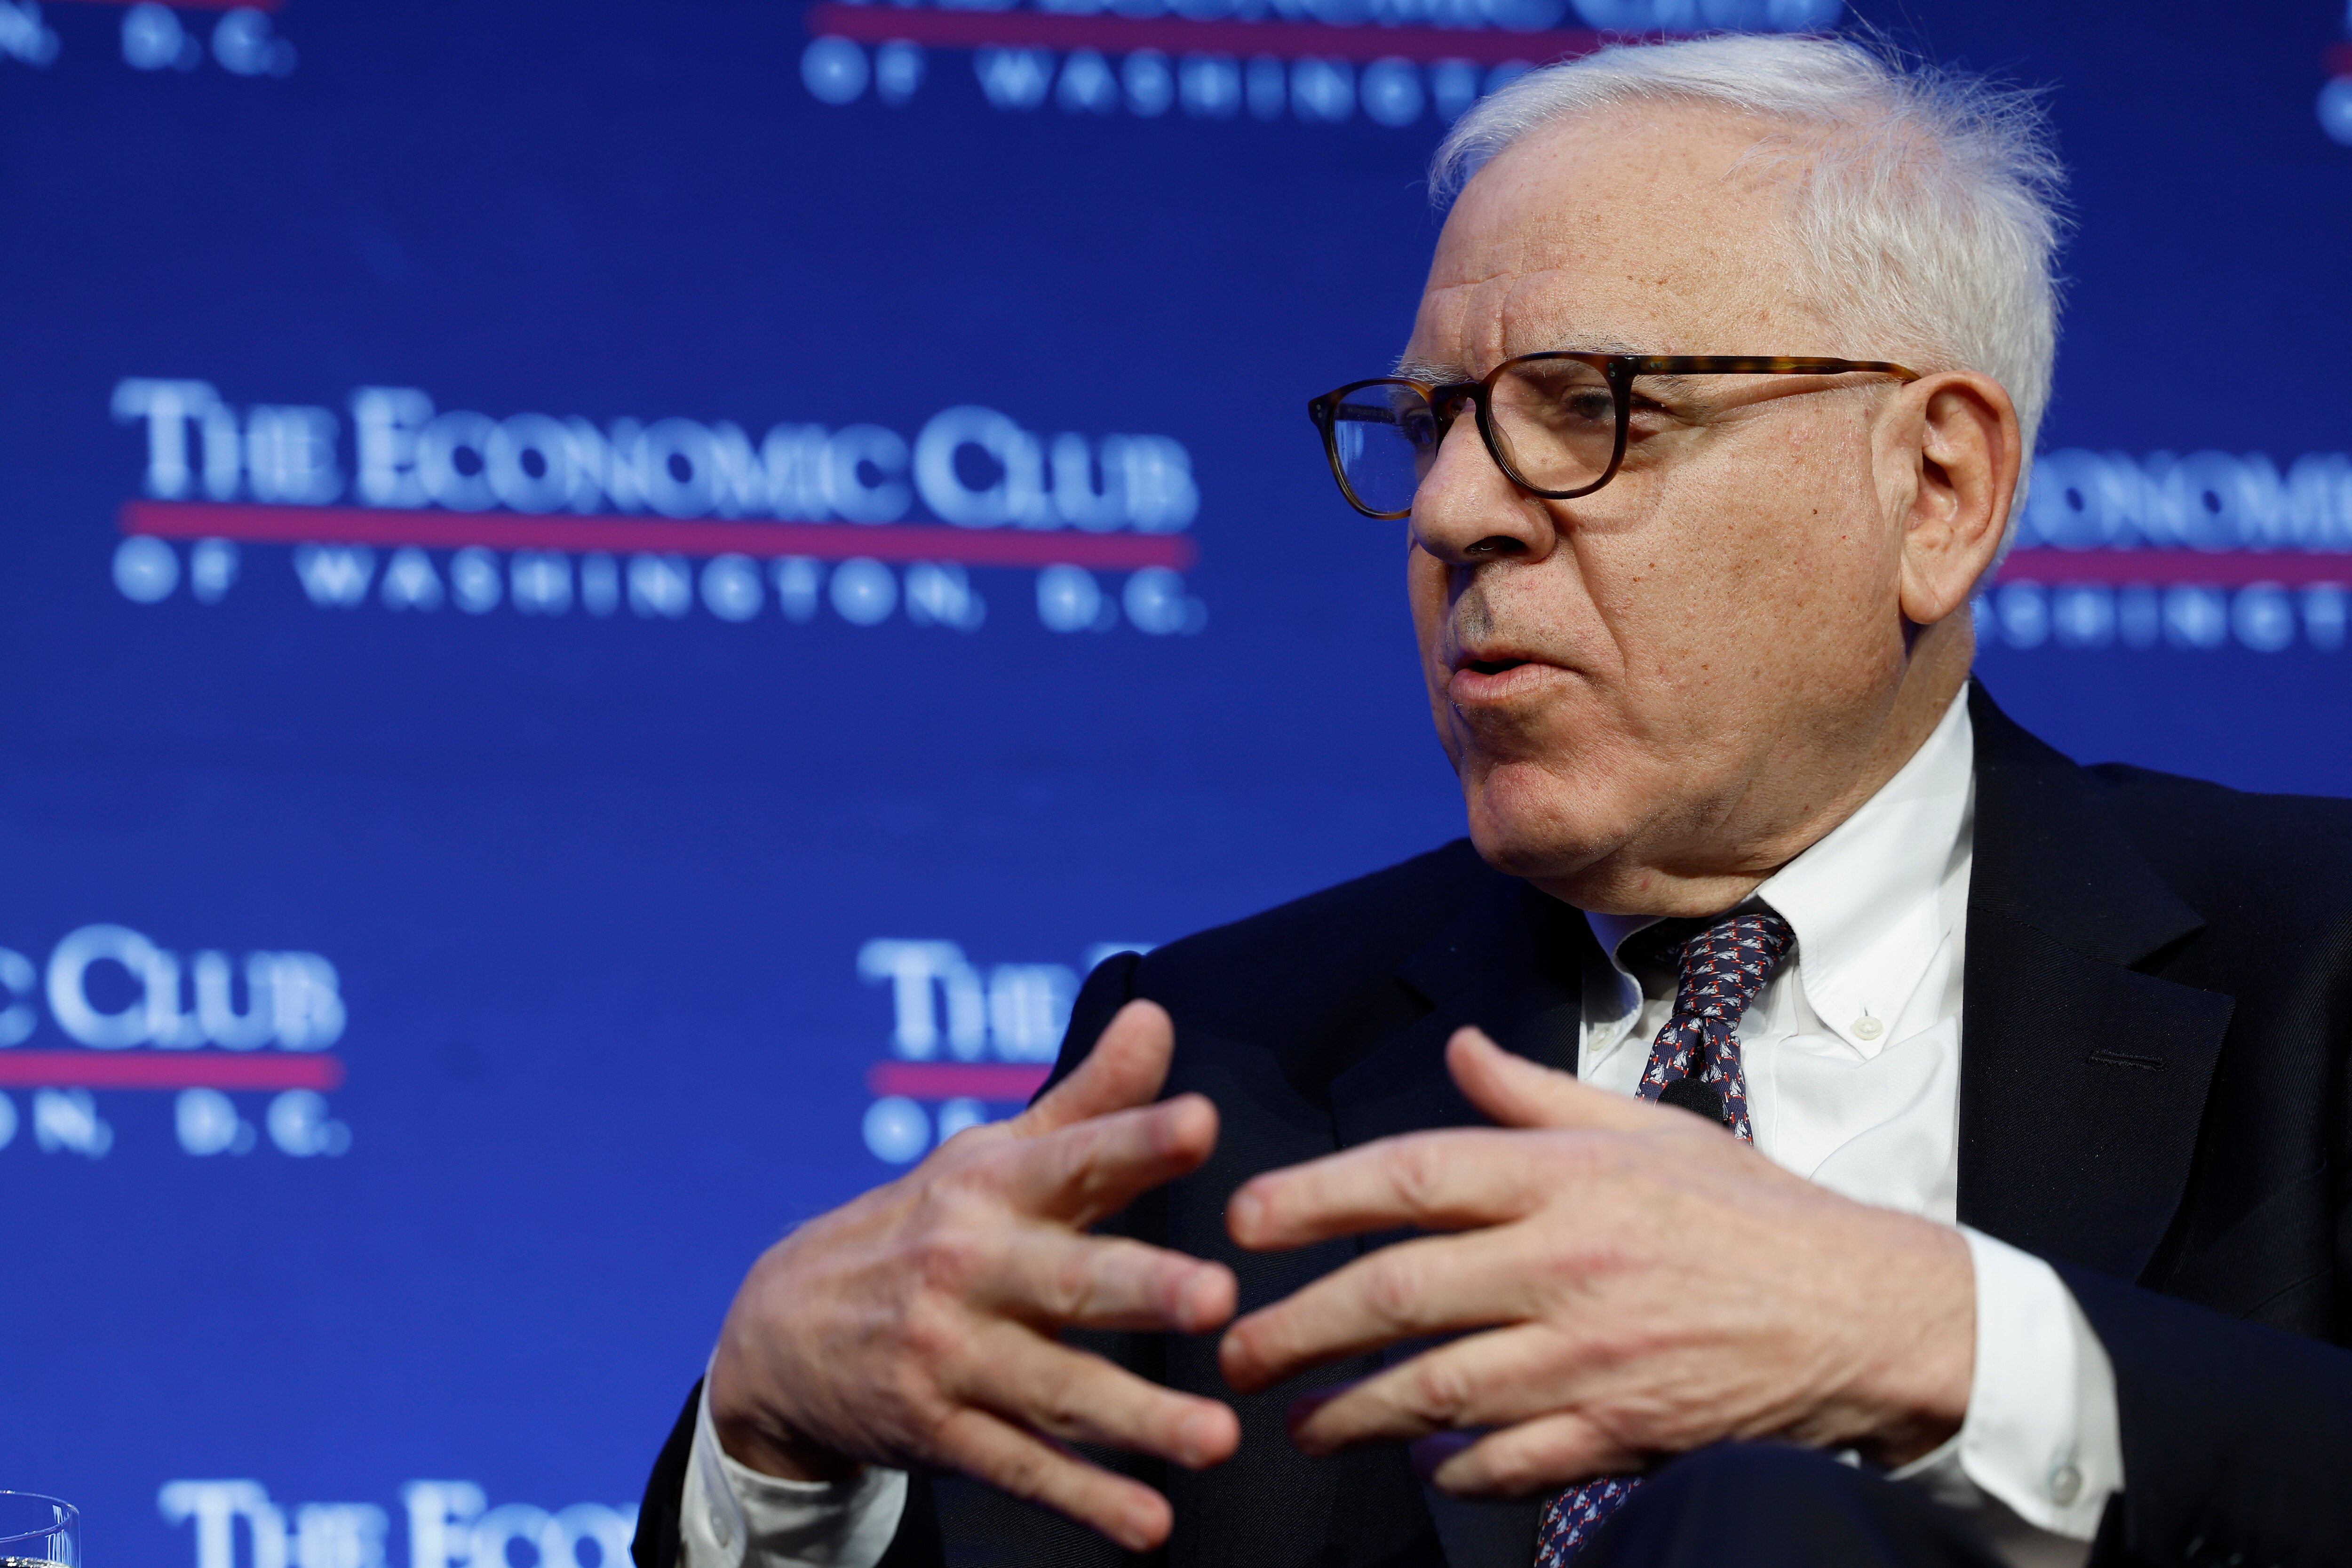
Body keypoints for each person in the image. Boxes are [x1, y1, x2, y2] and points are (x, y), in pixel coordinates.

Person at [631, 33, 2352, 1568]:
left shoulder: (2318, 969)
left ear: (1937, 485)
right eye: (1434, 421)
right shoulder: (1220, 1068)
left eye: (1590, 410)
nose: (1456, 509)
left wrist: (1952, 1342)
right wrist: (773, 1456)